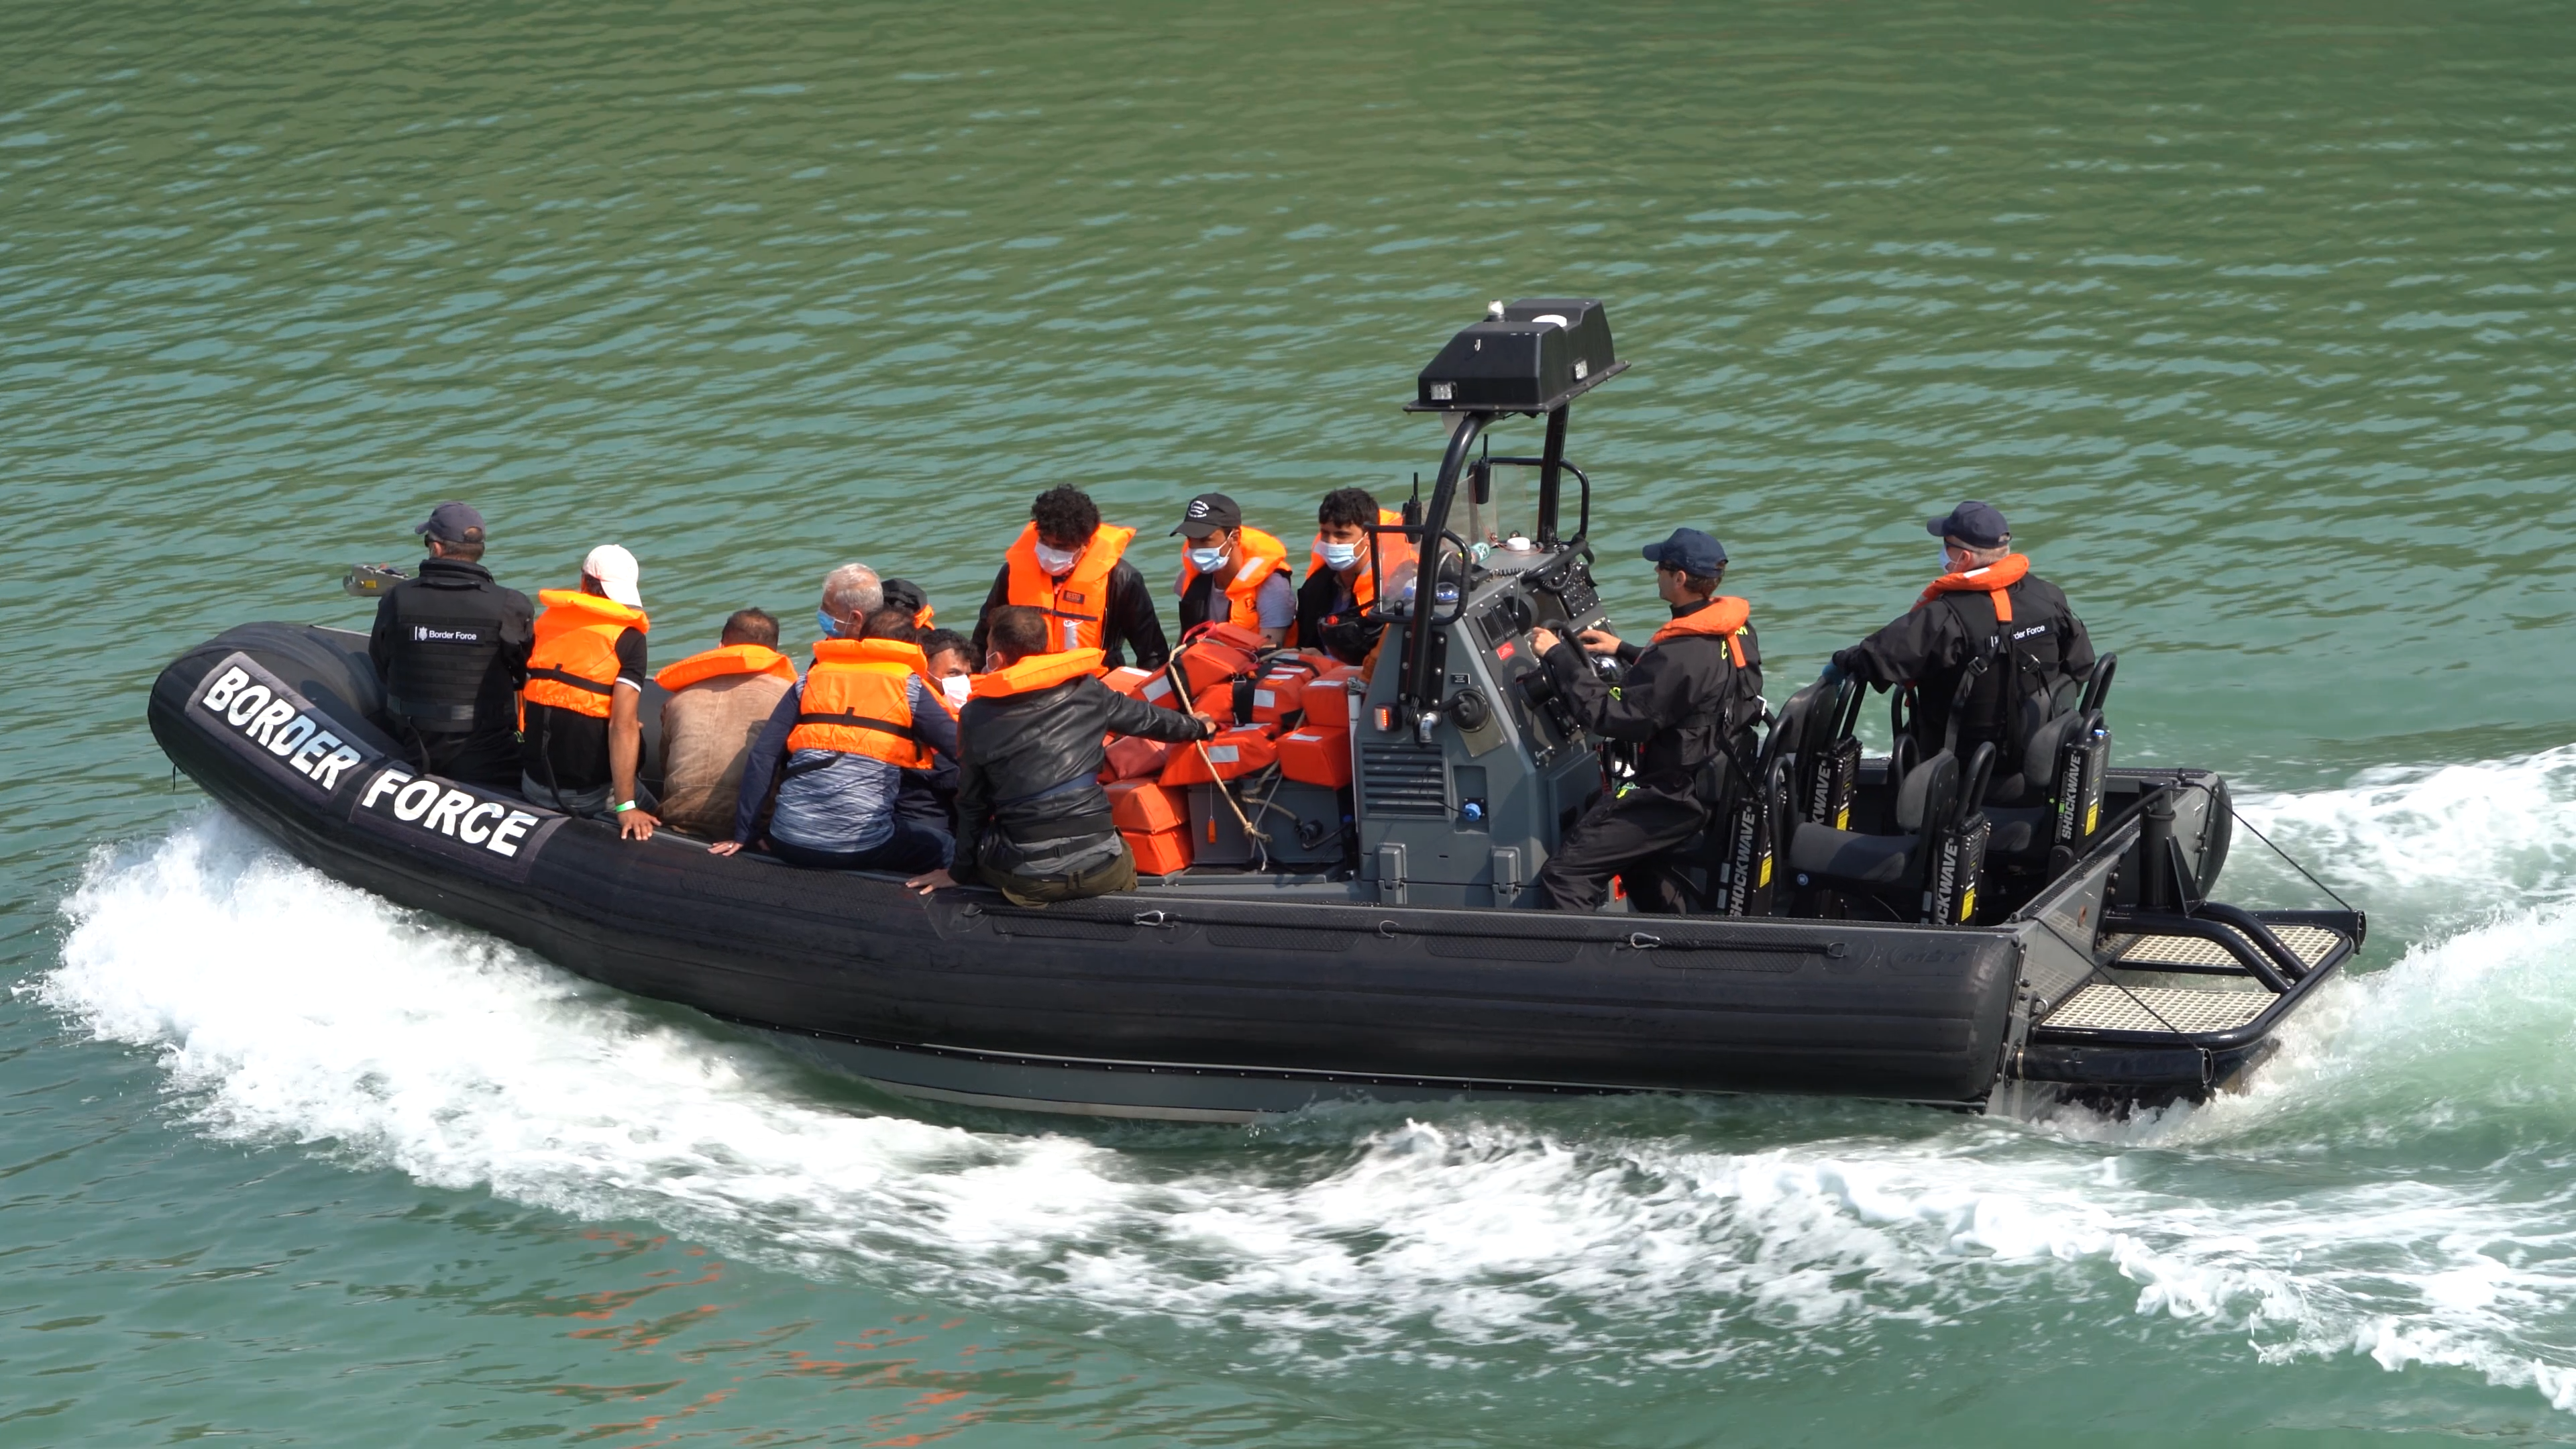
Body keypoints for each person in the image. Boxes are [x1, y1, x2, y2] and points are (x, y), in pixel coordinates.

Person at [908, 604, 1212, 906]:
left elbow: (972, 804)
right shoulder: (1088, 690)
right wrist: (1198, 726)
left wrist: (959, 873)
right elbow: (1152, 722)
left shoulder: (976, 715)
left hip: (1030, 879)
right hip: (1105, 870)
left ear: (996, 658)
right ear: (1045, 648)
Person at [1527, 529, 1764, 913]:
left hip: (1673, 796)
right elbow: (1695, 686)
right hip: (1717, 781)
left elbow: (1612, 717)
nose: (1656, 572)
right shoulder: (1738, 630)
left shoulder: (1680, 654)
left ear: (1680, 579)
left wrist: (1559, 656)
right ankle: (1668, 942)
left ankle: (1577, 969)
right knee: (1634, 858)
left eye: (1662, 567)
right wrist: (1624, 650)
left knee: (1566, 875)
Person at [1824, 500, 2094, 802]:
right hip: (2039, 764)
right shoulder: (2050, 596)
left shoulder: (1944, 617)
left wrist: (1839, 662)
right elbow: (2081, 667)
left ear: (1963, 557)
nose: (1941, 552)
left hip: (1963, 772)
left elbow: (1875, 659)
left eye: (1945, 545)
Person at [714, 568, 957, 873]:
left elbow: (764, 755)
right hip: (863, 843)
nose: (821, 617)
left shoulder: (812, 677)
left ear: (858, 622)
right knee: (946, 847)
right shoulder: (909, 686)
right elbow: (963, 749)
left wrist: (744, 833)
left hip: (786, 838)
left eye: (826, 610)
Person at [368, 501, 533, 787]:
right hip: (490, 756)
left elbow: (381, 662)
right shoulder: (511, 604)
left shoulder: (397, 599)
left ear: (437, 548)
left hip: (413, 748)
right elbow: (524, 674)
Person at [521, 545, 658, 839]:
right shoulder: (629, 638)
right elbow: (621, 726)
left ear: (584, 581)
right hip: (588, 795)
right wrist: (627, 806)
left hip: (531, 783)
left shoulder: (546, 623)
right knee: (658, 813)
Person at [972, 484, 1169, 669]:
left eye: (1061, 547)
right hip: (1027, 686)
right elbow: (983, 637)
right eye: (1044, 542)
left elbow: (1152, 654)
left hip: (1096, 689)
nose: (1050, 552)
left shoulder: (1122, 580)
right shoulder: (1012, 572)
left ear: (1085, 544)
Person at [653, 608, 797, 839]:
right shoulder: (790, 698)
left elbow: (665, 766)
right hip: (750, 827)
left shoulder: (679, 699)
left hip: (677, 817)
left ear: (721, 647)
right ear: (774, 654)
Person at [1295, 486, 1417, 666]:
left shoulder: (1397, 587)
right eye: (1325, 533)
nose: (1331, 542)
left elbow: (1394, 661)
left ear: (1369, 536)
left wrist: (1326, 663)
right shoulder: (1316, 586)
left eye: (1341, 535)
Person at [1171, 492, 1295, 645]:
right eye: (1191, 539)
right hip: (1204, 661)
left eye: (1205, 540)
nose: (1196, 549)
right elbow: (1184, 640)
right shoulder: (1190, 578)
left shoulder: (1272, 586)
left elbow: (1270, 651)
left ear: (1234, 538)